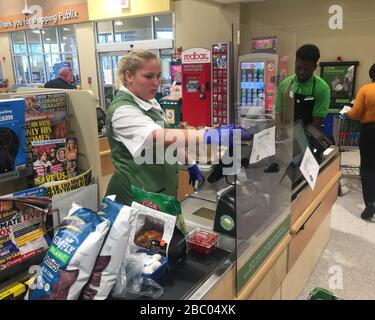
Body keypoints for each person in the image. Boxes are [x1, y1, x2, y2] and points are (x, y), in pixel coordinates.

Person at [105, 49, 250, 233]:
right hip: (133, 199)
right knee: (140, 255)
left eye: (158, 76)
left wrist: (189, 162)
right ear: (129, 76)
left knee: (160, 253)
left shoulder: (149, 102)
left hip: (157, 196)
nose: (156, 83)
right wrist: (211, 134)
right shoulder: (122, 111)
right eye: (148, 76)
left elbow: (167, 137)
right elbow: (156, 138)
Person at [265, 44, 331, 173]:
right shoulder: (285, 85)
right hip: (288, 135)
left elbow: (316, 123)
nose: (301, 72)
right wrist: (281, 137)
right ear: (295, 63)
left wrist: (301, 144)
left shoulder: (322, 88)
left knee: (305, 175)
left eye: (306, 69)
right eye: (299, 67)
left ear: (314, 67)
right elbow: (279, 115)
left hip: (310, 135)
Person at [343, 63, 375, 220]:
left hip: (370, 131)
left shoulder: (366, 89)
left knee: (368, 167)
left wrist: (348, 113)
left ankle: (370, 203)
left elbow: (355, 113)